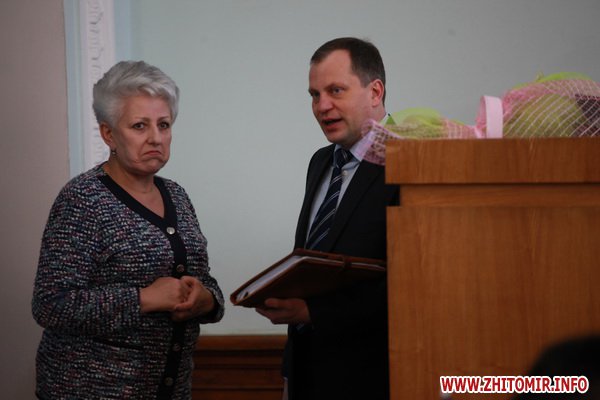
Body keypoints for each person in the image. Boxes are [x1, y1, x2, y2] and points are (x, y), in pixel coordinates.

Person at [32, 60, 225, 400]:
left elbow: (201, 279)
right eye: (139, 126)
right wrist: (144, 299)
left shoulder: (177, 196)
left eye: (164, 125)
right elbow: (51, 304)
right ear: (109, 134)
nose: (155, 138)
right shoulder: (83, 199)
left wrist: (207, 300)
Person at [256, 37, 399, 400]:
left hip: (375, 378)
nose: (322, 106)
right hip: (306, 372)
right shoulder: (321, 162)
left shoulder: (412, 159)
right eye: (314, 95)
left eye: (336, 90)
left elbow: (413, 283)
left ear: (375, 91)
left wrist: (313, 312)